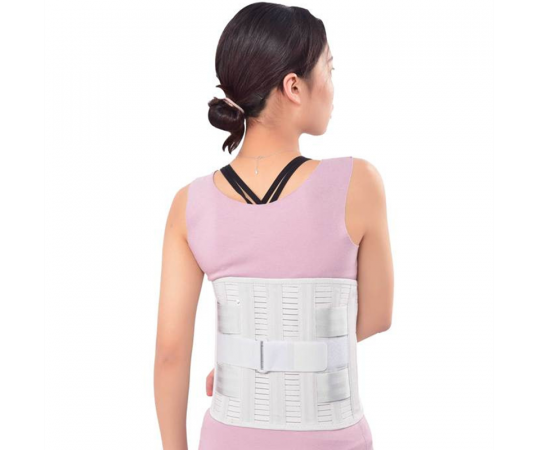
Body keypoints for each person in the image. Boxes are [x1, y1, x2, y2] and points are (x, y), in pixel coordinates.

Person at [154, 3, 394, 449]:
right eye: (329, 68)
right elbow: (378, 317)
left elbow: (170, 354)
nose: (333, 86)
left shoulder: (190, 204)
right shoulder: (358, 183)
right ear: (294, 86)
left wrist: (253, 359)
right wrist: (292, 353)